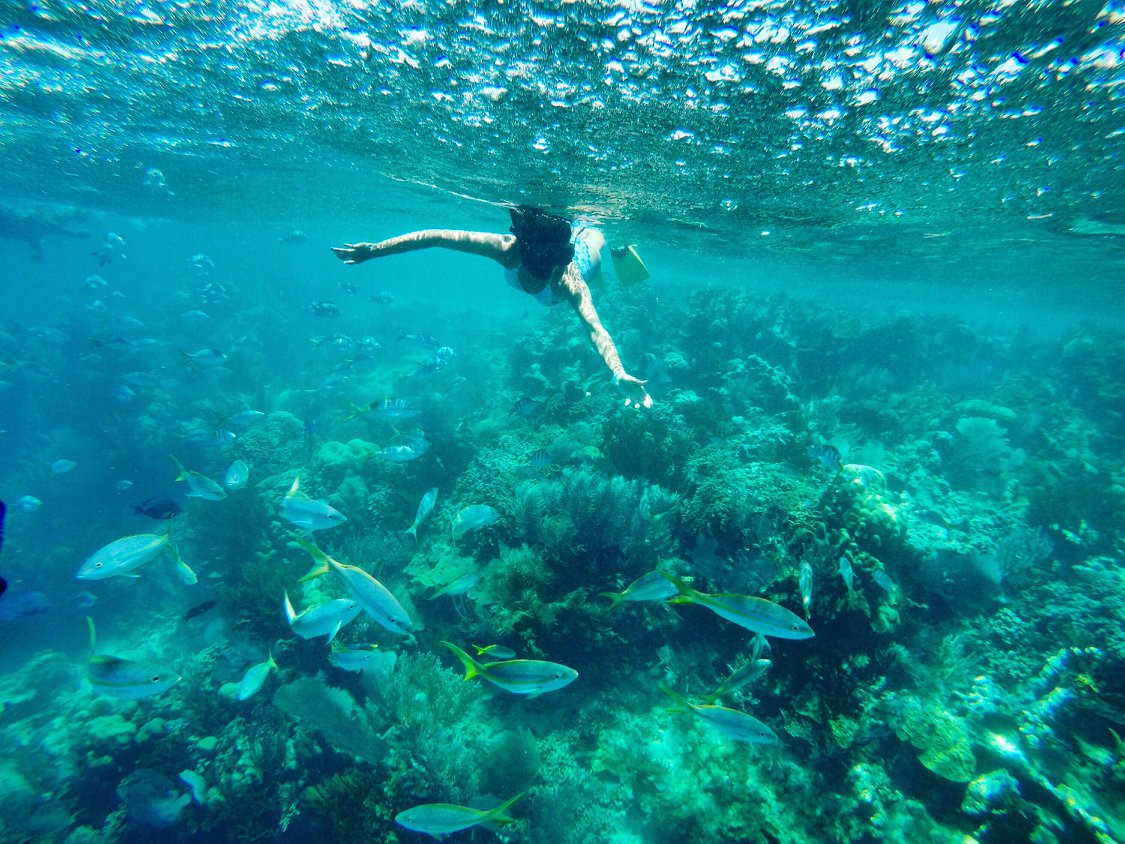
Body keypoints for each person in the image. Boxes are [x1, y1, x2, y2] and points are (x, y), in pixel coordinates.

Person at [332, 205, 652, 408]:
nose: (530, 286)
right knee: (571, 228)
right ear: (522, 259)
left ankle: (616, 245)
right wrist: (375, 250)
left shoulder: (570, 282)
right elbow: (434, 236)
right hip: (549, 242)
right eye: (528, 277)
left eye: (538, 282)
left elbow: (596, 330)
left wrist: (617, 372)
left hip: (583, 258)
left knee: (594, 238)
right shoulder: (507, 249)